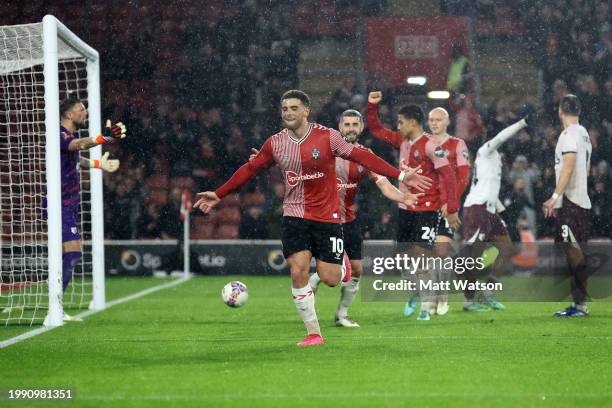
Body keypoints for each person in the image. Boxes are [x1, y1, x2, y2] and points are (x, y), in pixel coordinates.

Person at [195, 90, 430, 346]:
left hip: (327, 218)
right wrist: (219, 194)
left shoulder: (328, 137)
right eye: (284, 108)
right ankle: (314, 333)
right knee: (298, 272)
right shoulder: (275, 143)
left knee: (331, 279)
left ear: (306, 110)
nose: (288, 113)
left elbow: (362, 156)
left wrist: (402, 175)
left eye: (294, 108)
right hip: (294, 216)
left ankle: (342, 267)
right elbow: (250, 169)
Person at [306, 109, 422, 328]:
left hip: (348, 219)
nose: (350, 128)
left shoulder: (364, 154)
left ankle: (341, 315)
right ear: (339, 127)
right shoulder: (325, 150)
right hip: (325, 220)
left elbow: (384, 183)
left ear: (360, 128)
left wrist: (403, 197)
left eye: (354, 124)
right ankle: (311, 295)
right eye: (346, 124)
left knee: (357, 270)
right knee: (336, 271)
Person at [367, 92, 459, 321]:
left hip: (427, 209)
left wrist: (452, 206)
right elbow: (377, 130)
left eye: (401, 122)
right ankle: (417, 293)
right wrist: (371, 107)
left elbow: (449, 174)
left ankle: (426, 308)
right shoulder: (402, 141)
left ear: (413, 122)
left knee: (423, 258)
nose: (398, 126)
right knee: (406, 261)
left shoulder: (432, 145)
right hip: (405, 208)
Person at [57, 97, 126, 321]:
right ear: (69, 114)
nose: (84, 113)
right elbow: (79, 145)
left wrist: (99, 164)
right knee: (74, 253)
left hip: (68, 203)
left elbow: (77, 157)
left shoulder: (69, 136)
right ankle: (54, 305)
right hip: (60, 204)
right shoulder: (60, 134)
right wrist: (104, 138)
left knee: (64, 255)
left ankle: (54, 301)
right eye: (81, 109)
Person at [461, 117, 532, 311]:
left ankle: (487, 293)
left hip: (490, 210)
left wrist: (501, 211)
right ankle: (468, 301)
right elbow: (501, 137)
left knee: (508, 249)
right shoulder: (485, 150)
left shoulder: (496, 159)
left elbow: (489, 187)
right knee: (474, 256)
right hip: (477, 208)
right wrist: (521, 123)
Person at [542, 94, 592, 317]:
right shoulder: (584, 134)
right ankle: (579, 302)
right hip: (580, 201)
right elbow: (584, 169)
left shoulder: (569, 134)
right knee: (572, 251)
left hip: (571, 203)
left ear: (560, 111)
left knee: (573, 253)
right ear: (578, 111)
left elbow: (568, 166)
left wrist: (555, 196)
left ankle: (580, 304)